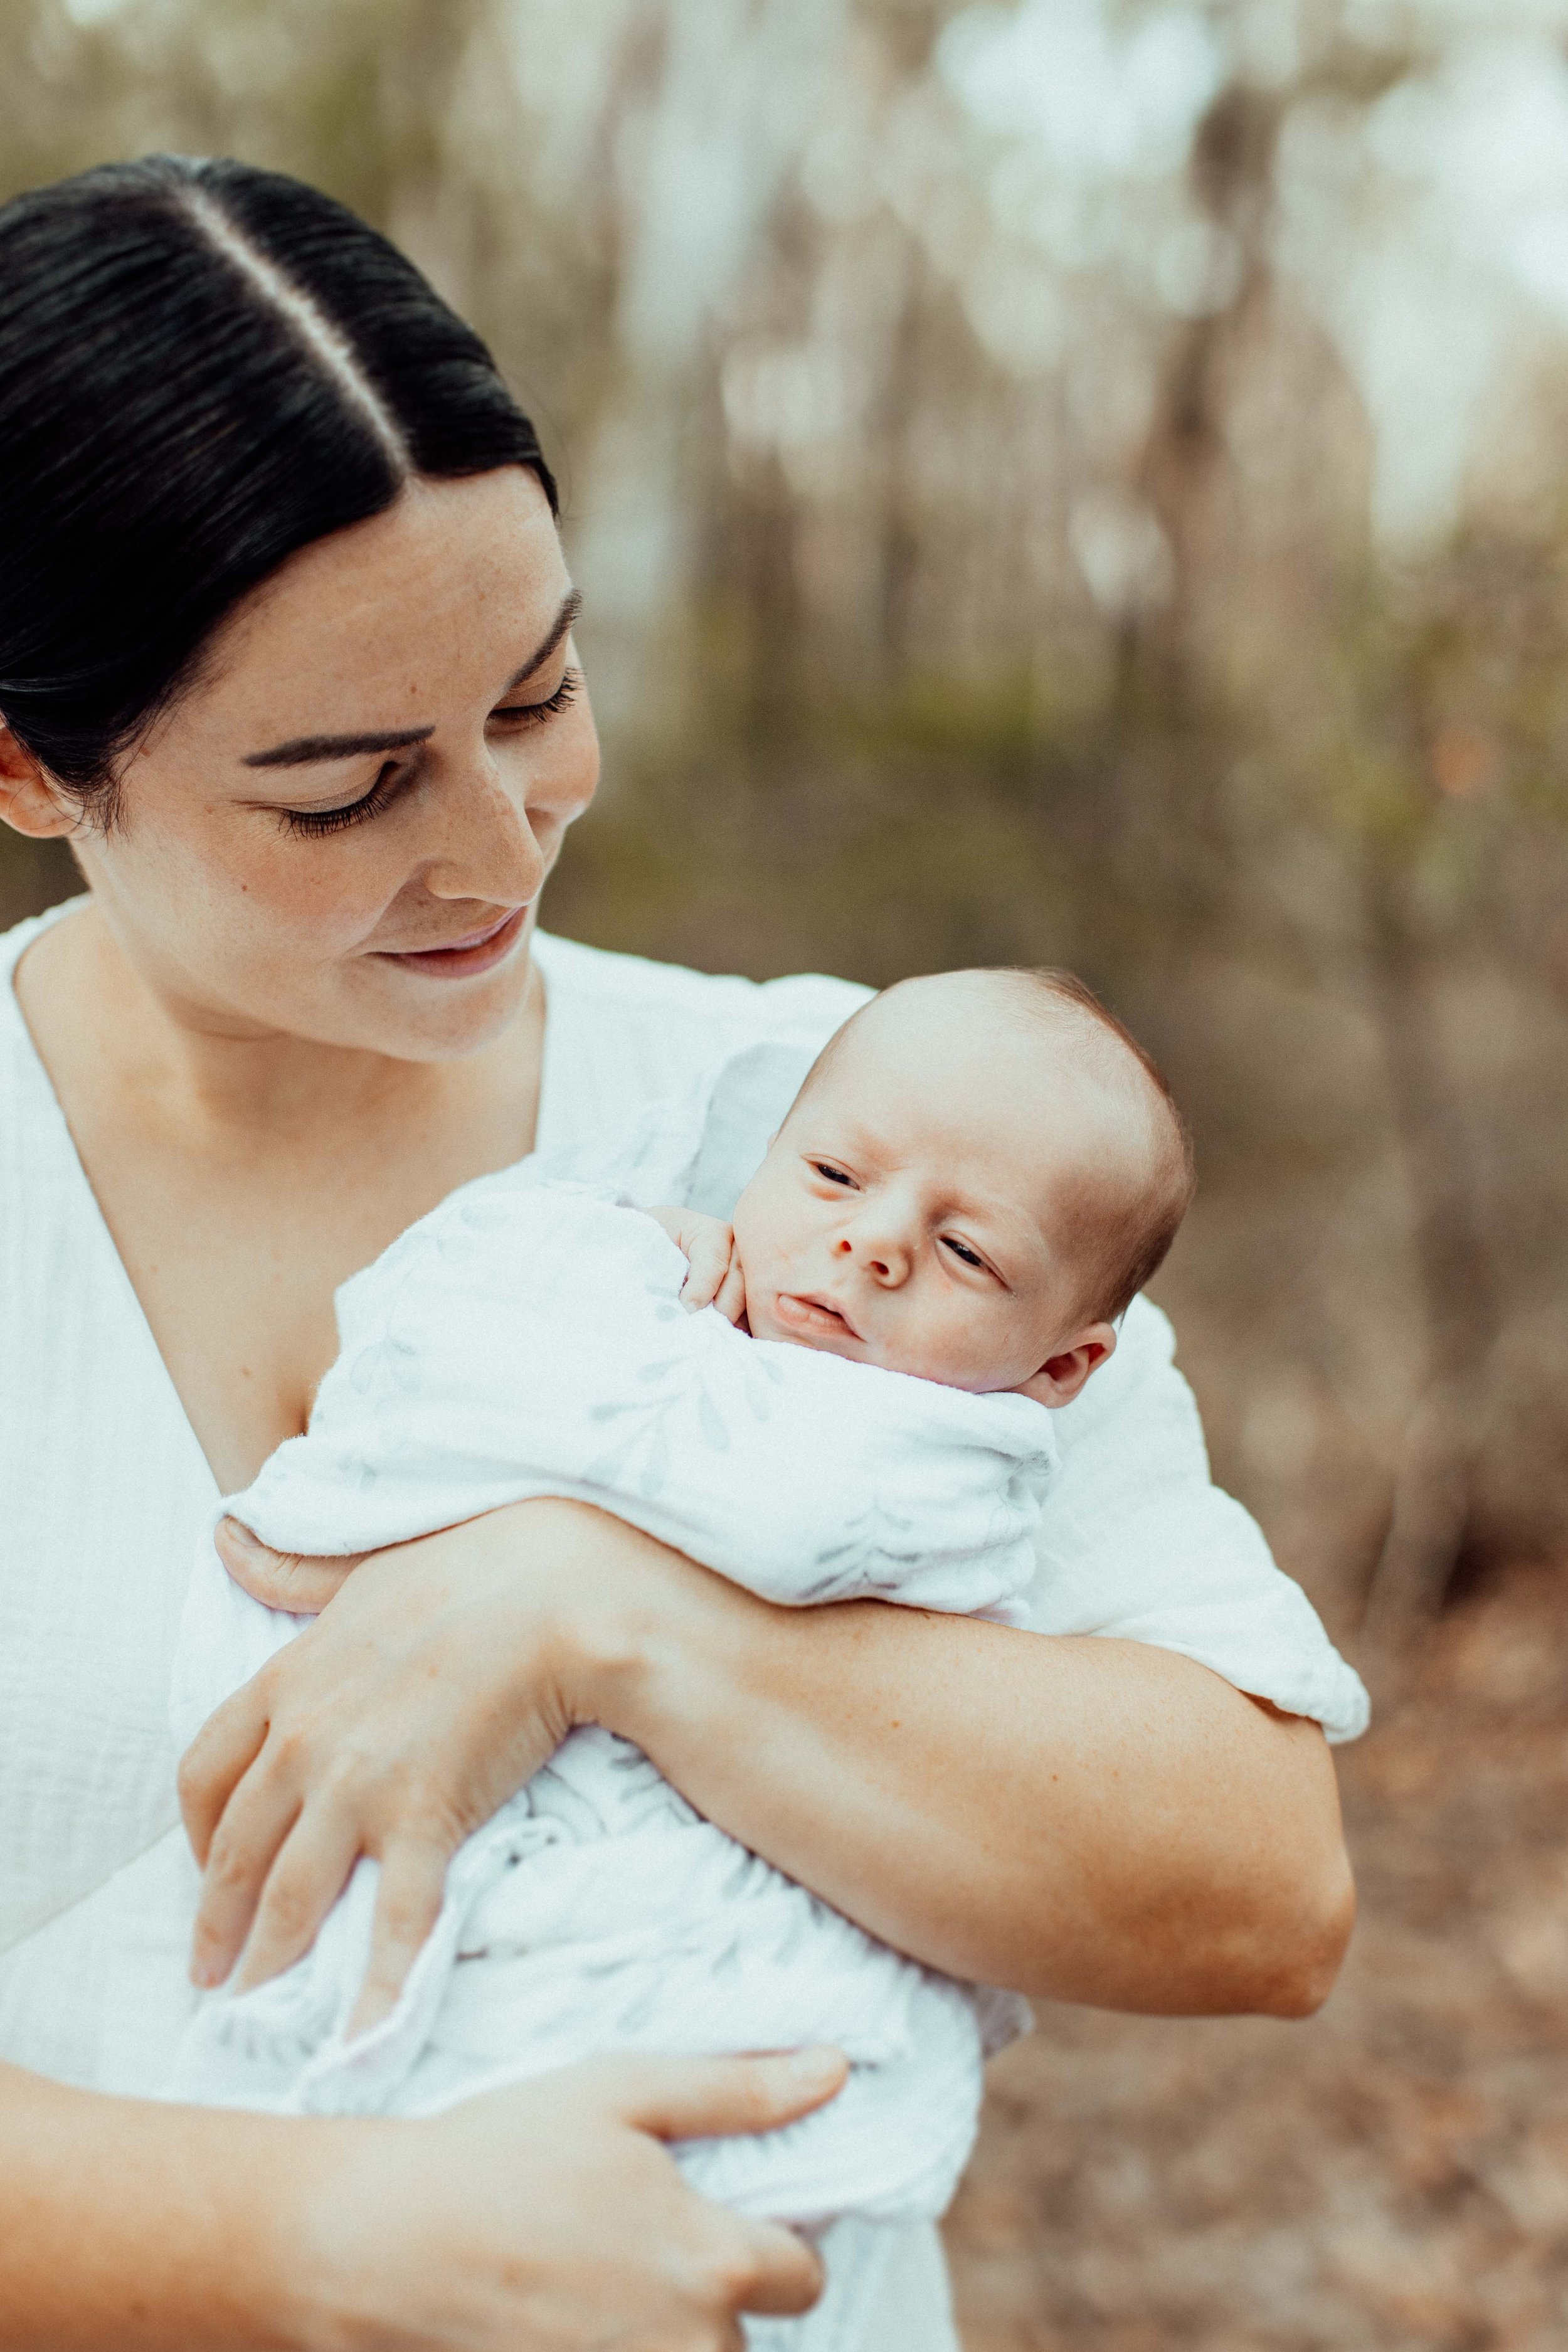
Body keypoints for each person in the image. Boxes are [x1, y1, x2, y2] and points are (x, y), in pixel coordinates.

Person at [0, 156, 1355, 2350]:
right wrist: (313, 2246)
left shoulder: (852, 1135)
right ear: (34, 769)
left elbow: (1260, 1886)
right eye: (344, 792)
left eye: (532, 698)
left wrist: (596, 1609)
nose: (493, 844)